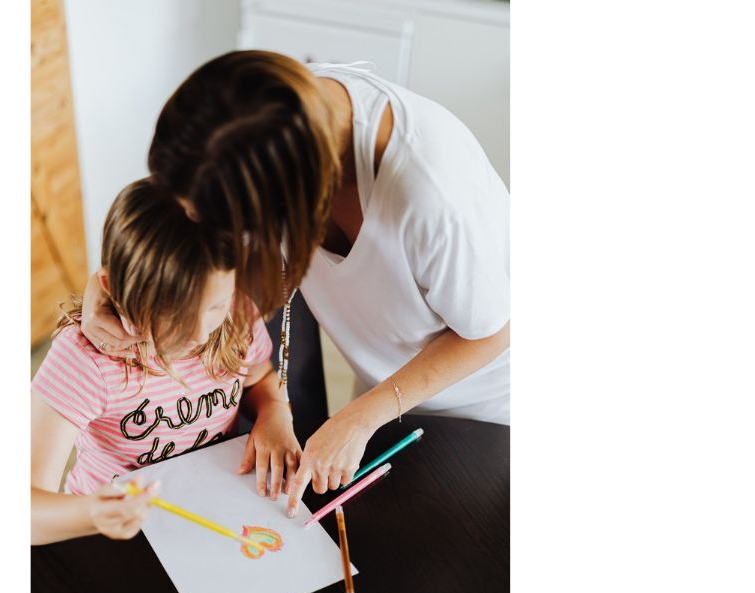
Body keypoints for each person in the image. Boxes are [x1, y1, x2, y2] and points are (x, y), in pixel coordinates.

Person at [81, 51, 510, 518]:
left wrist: (362, 416)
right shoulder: (271, 123)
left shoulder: (432, 192)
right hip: (385, 389)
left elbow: (493, 330)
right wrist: (118, 288)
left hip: (484, 413)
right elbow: (171, 233)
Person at [30, 179, 299, 544]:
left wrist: (274, 411)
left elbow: (258, 376)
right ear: (111, 286)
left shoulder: (236, 313)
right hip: (118, 535)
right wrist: (93, 513)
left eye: (217, 305)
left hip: (216, 512)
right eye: (178, 318)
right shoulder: (85, 360)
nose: (203, 334)